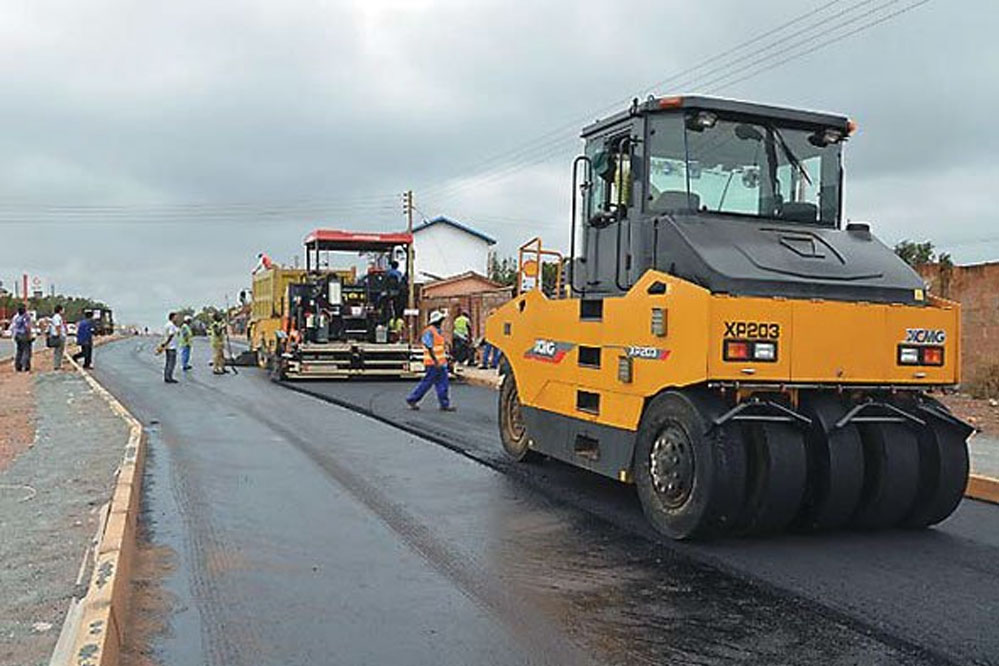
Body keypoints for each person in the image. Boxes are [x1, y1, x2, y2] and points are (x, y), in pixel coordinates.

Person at [406, 310, 455, 411]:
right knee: (427, 383)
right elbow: (429, 347)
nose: (442, 322)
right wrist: (435, 361)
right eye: (441, 320)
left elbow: (439, 347)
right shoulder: (429, 331)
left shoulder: (438, 331)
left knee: (443, 384)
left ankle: (444, 404)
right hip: (433, 363)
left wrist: (447, 357)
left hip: (441, 363)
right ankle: (412, 399)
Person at [10, 305, 33, 372]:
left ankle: (18, 366)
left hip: (17, 335)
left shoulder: (16, 317)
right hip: (24, 335)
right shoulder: (26, 317)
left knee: (19, 351)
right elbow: (27, 327)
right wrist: (29, 335)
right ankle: (25, 366)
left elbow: (13, 326)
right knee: (26, 350)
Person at [160, 312, 179, 383]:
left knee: (168, 362)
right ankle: (169, 377)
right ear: (172, 317)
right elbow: (171, 335)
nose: (177, 319)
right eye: (176, 317)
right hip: (171, 346)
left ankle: (166, 376)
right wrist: (166, 343)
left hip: (168, 346)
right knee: (171, 362)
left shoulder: (168, 325)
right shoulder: (171, 325)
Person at [49, 305, 67, 370]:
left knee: (59, 351)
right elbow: (58, 327)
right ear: (60, 310)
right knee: (58, 351)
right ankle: (57, 365)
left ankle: (58, 364)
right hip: (59, 336)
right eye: (62, 309)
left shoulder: (58, 317)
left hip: (59, 335)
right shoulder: (57, 317)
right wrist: (60, 335)